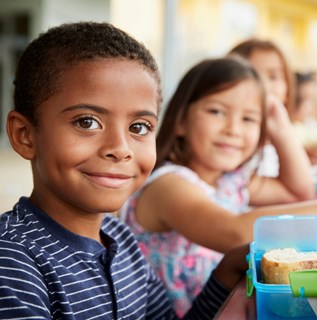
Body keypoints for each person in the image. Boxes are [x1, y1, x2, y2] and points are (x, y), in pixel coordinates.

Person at [0, 22, 249, 320]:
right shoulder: (12, 261)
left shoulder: (122, 240)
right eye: (87, 122)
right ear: (25, 135)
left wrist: (227, 271)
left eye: (138, 127)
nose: (121, 148)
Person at [121, 55, 317, 315]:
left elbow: (298, 191)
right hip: (196, 312)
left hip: (233, 300)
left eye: (248, 119)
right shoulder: (167, 185)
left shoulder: (230, 181)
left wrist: (279, 127)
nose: (233, 128)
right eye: (217, 111)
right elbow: (236, 232)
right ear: (180, 120)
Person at [228, 38, 315, 198]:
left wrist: (283, 131)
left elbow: (303, 191)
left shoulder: (274, 143)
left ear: (288, 91)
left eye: (273, 77)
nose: (264, 86)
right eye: (252, 74)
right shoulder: (229, 143)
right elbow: (302, 195)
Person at [292, 72, 317, 164]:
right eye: (308, 99)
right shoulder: (288, 128)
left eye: (314, 99)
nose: (314, 105)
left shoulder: (307, 124)